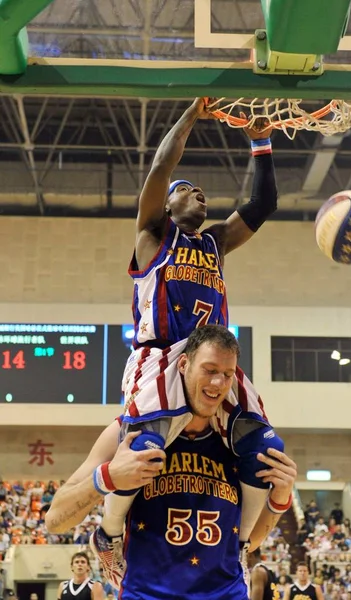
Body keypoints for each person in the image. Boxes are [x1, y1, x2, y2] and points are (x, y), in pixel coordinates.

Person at [91, 97, 279, 585]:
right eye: (188, 191)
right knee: (148, 450)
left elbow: (263, 205)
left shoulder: (215, 243)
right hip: (161, 357)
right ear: (168, 204)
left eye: (202, 192)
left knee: (265, 445)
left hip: (213, 360)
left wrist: (260, 140)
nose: (200, 195)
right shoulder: (153, 238)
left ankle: (238, 546)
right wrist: (192, 115)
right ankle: (109, 533)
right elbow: (160, 166)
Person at [46, 326, 297, 600]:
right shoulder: (131, 430)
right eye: (209, 370)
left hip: (225, 593)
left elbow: (248, 543)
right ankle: (110, 537)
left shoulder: (240, 442)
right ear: (183, 364)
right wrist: (108, 477)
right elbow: (55, 520)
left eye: (227, 375)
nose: (218, 384)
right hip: (148, 594)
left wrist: (280, 499)